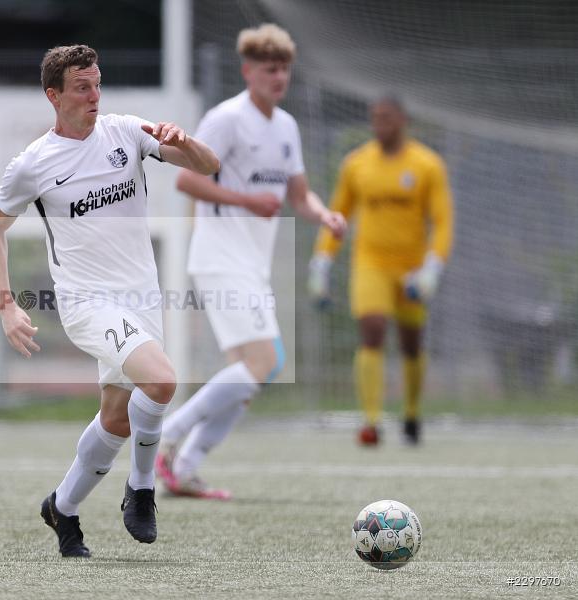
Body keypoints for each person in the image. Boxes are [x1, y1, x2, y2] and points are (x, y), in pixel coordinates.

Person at [0, 44, 219, 557]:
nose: (94, 95)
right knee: (161, 380)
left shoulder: (126, 132)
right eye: (82, 87)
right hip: (86, 302)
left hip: (142, 298)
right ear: (54, 95)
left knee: (116, 419)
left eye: (97, 84)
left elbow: (209, 165)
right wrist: (7, 305)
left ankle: (62, 509)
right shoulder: (33, 164)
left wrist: (186, 141)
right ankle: (141, 489)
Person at [154, 24, 346, 499]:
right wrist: (244, 199)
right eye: (269, 68)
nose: (278, 76)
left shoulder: (286, 127)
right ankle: (170, 436)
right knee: (267, 361)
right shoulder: (226, 118)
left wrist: (325, 215)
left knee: (249, 378)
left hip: (251, 264)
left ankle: (184, 469)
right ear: (248, 71)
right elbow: (185, 181)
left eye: (284, 68)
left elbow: (298, 195)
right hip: (220, 255)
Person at [308, 95, 454, 446]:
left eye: (386, 117)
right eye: (374, 117)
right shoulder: (357, 164)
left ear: (402, 120)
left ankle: (412, 413)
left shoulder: (426, 164)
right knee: (372, 329)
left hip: (412, 270)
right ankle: (371, 421)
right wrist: (322, 262)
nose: (379, 123)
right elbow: (337, 216)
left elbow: (443, 220)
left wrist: (432, 267)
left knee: (410, 343)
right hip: (370, 264)